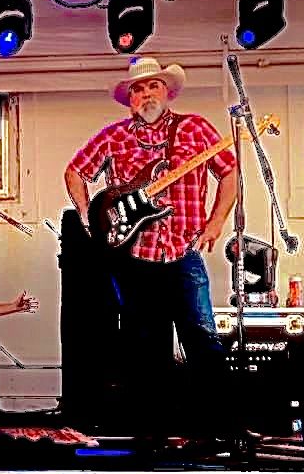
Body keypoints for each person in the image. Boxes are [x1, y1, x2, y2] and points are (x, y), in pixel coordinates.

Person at [63, 56, 238, 436]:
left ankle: (220, 428)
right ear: (130, 99)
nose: (146, 94)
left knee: (202, 339)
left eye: (153, 86)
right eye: (138, 89)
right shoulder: (114, 136)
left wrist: (216, 222)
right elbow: (75, 171)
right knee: (145, 348)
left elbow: (229, 172)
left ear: (168, 91)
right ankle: (152, 432)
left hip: (183, 253)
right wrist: (86, 214)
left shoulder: (195, 129)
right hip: (135, 258)